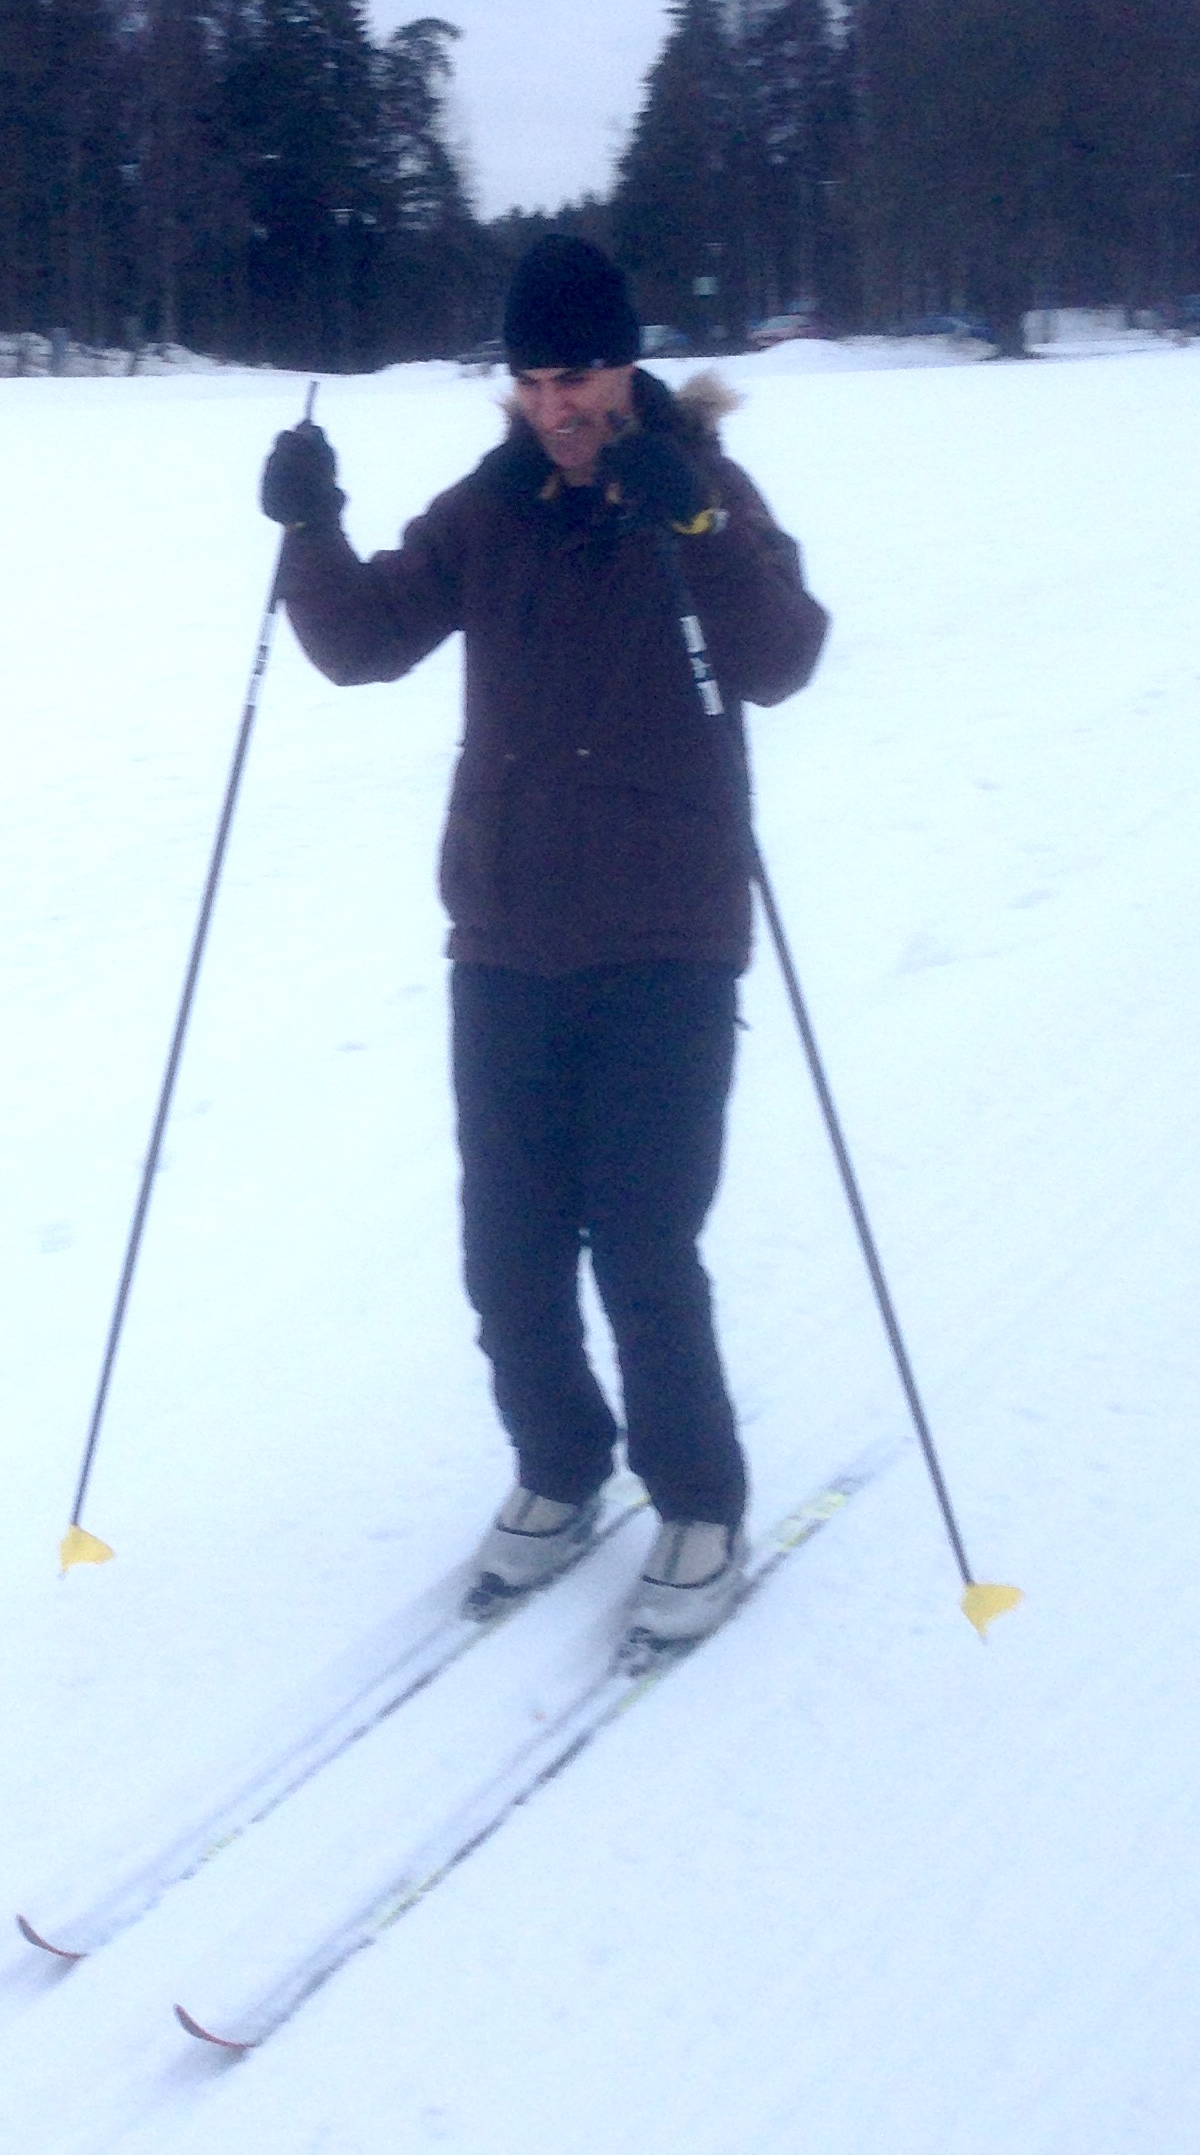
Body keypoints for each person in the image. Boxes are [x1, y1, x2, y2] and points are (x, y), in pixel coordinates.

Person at [259, 236, 829, 1649]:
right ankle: (562, 1465)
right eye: (530, 378)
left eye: (575, 375)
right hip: (507, 928)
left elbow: (781, 657)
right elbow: (363, 642)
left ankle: (697, 1500)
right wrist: (310, 530)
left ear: (625, 368)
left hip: (665, 928)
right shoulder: (493, 506)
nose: (554, 404)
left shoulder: (701, 491)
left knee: (642, 1243)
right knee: (506, 1252)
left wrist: (698, 524)